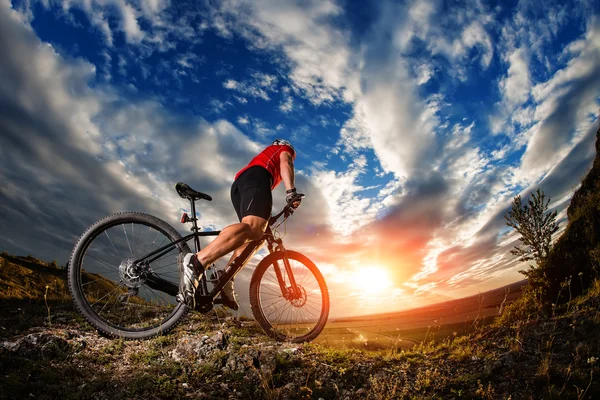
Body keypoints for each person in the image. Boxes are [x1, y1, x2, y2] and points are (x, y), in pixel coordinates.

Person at [176, 138, 301, 310]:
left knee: (255, 236)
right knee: (254, 228)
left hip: (243, 184)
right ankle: (197, 262)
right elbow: (286, 161)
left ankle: (226, 277)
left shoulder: (265, 159)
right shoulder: (283, 149)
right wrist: (291, 191)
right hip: (256, 177)